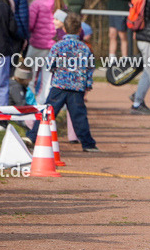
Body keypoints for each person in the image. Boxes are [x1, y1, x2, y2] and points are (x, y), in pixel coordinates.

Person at [26, 13, 97, 151]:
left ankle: (33, 136)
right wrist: (88, 85)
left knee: (48, 112)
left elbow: (50, 65)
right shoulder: (85, 48)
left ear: (64, 29)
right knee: (79, 116)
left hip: (59, 86)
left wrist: (56, 70)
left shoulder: (58, 46)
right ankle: (88, 144)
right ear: (79, 30)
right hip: (77, 88)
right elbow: (90, 68)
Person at [28, 0, 66, 104]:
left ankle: (29, 102)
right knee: (47, 79)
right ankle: (43, 104)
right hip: (53, 46)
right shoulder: (61, 4)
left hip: (37, 44)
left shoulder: (36, 4)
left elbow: (30, 25)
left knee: (30, 76)